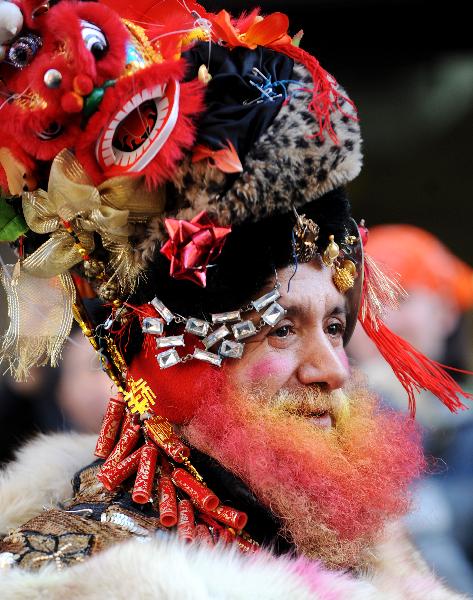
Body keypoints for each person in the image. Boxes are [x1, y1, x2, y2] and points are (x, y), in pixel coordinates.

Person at [0, 0, 470, 597]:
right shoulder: (73, 577)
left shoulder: (366, 551)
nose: (333, 369)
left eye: (334, 326)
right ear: (166, 355)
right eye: (280, 327)